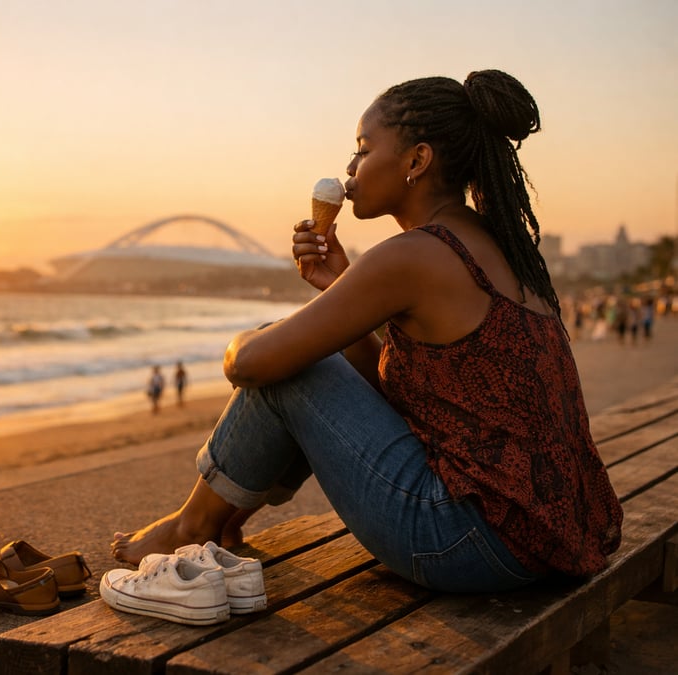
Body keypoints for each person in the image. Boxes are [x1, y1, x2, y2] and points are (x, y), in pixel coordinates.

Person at [111, 70, 623, 593]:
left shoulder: (413, 255)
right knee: (307, 356)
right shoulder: (497, 246)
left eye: (362, 149)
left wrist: (244, 339)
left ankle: (191, 525)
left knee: (283, 358)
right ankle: (221, 518)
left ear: (416, 161)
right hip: (548, 536)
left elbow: (248, 365)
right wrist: (338, 288)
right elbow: (412, 399)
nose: (350, 169)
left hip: (466, 542)